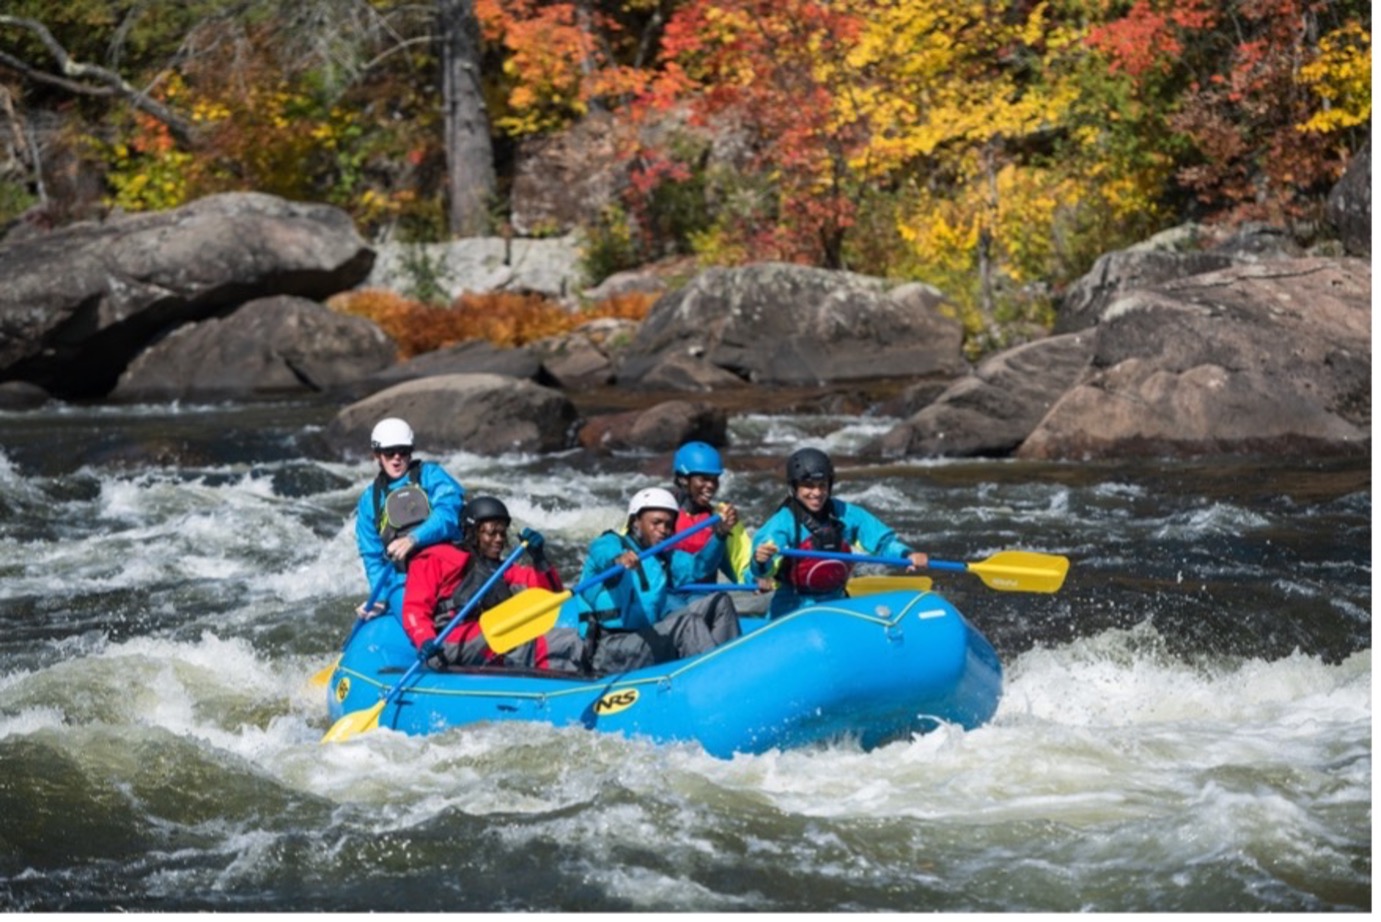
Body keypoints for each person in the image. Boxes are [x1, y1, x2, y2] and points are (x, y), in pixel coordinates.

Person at [557, 487, 742, 675]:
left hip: (645, 638)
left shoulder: (664, 557)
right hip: (610, 650)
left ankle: (732, 669)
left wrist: (719, 535)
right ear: (636, 522)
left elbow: (699, 567)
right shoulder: (612, 543)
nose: (663, 530)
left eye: (668, 524)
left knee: (720, 602)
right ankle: (715, 677)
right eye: (656, 523)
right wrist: (619, 558)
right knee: (687, 624)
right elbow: (600, 552)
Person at [401, 496, 585, 672]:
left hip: (491, 634)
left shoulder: (502, 569)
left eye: (502, 533)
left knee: (568, 639)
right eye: (491, 532)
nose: (499, 539)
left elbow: (551, 596)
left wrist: (540, 560)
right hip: (446, 642)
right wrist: (424, 639)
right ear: (472, 532)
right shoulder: (436, 558)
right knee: (512, 635)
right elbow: (414, 610)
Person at [749, 447, 928, 619]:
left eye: (822, 485)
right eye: (808, 486)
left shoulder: (845, 513)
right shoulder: (782, 522)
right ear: (794, 488)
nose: (817, 493)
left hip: (836, 601)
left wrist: (907, 554)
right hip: (793, 604)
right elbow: (764, 567)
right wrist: (761, 561)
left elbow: (883, 542)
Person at [353, 417, 464, 620]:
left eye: (403, 451)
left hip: (447, 567)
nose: (397, 458)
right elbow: (373, 556)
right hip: (405, 580)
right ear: (377, 455)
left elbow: (449, 513)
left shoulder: (431, 475)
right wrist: (381, 598)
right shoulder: (370, 500)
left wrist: (414, 538)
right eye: (389, 452)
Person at [666, 441, 752, 607]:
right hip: (665, 599)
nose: (711, 486)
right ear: (684, 479)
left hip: (702, 600)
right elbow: (631, 547)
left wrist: (761, 570)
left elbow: (743, 567)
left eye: (715, 480)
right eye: (704, 479)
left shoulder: (722, 519)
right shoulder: (656, 514)